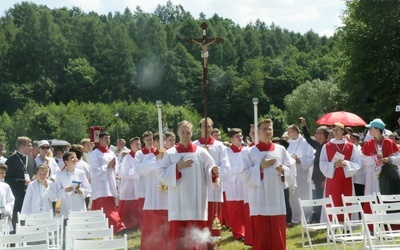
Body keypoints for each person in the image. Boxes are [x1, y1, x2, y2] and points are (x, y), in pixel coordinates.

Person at [158, 120, 220, 250]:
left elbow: (210, 168)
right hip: (178, 201)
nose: (185, 135)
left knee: (196, 235)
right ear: (178, 133)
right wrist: (177, 167)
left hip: (196, 201)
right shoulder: (170, 154)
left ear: (192, 133)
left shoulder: (202, 152)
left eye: (188, 132)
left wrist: (213, 172)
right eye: (182, 132)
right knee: (178, 236)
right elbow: (161, 174)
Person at [241, 119, 296, 250]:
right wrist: (260, 167)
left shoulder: (281, 150)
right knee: (261, 234)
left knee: (277, 233)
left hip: (276, 198)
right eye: (264, 129)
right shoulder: (249, 152)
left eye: (270, 129)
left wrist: (283, 170)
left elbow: (291, 169)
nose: (267, 131)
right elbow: (244, 174)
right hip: (259, 199)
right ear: (258, 132)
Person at [193, 118, 230, 238]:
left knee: (214, 222)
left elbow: (226, 168)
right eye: (204, 126)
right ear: (200, 128)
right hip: (199, 189)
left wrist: (216, 173)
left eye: (209, 127)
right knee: (200, 222)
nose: (206, 129)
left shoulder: (220, 146)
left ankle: (213, 244)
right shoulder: (194, 146)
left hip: (214, 190)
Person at [320, 122, 361, 218]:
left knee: (346, 200)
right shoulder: (327, 146)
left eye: (338, 130)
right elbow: (322, 163)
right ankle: (332, 223)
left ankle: (347, 224)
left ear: (343, 131)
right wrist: (334, 164)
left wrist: (346, 163)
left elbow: (357, 163)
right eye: (334, 130)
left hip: (346, 178)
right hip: (332, 178)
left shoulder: (351, 146)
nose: (336, 132)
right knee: (333, 200)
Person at [89, 132, 127, 235]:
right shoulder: (95, 153)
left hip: (110, 183)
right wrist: (107, 166)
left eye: (109, 138)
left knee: (109, 206)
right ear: (100, 140)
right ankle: (118, 227)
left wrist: (114, 168)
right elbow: (94, 169)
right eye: (105, 138)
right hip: (101, 186)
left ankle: (106, 228)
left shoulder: (111, 153)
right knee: (106, 208)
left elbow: (116, 167)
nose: (108, 140)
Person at [136, 133, 169, 250]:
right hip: (153, 196)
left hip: (168, 197)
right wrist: (156, 159)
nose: (161, 143)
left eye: (163, 141)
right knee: (152, 226)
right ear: (154, 143)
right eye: (158, 141)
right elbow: (142, 171)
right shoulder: (149, 157)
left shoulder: (171, 155)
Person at [361, 119, 400, 204]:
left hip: (386, 175)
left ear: (377, 129)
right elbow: (363, 158)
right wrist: (374, 158)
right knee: (372, 196)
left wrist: (389, 159)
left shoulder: (389, 143)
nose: (369, 130)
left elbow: (398, 157)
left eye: (371, 128)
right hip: (371, 175)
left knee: (386, 197)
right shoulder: (368, 143)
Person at [300, 118, 329, 223]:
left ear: (323, 134)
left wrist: (325, 179)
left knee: (322, 199)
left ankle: (323, 220)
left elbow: (327, 164)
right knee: (318, 199)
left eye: (317, 132)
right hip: (317, 177)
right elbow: (308, 139)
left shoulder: (327, 146)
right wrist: (304, 126)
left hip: (322, 178)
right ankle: (320, 219)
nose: (315, 134)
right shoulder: (319, 145)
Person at [5, 136, 37, 232]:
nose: (31, 148)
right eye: (29, 146)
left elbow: (35, 172)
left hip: (30, 196)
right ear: (22, 147)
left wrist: (35, 177)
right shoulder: (11, 160)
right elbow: (7, 179)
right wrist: (22, 182)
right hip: (17, 197)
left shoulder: (31, 159)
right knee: (16, 224)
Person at [286, 124, 314, 225]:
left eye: (291, 131)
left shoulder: (305, 143)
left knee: (303, 194)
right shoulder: (288, 143)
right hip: (291, 172)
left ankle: (306, 216)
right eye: (289, 132)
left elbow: (311, 158)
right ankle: (294, 216)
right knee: (293, 195)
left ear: (296, 132)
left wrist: (300, 160)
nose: (289, 134)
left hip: (302, 172)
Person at [224, 128, 246, 241]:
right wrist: (239, 169)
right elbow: (225, 168)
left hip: (244, 183)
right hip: (232, 183)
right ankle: (238, 233)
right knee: (235, 209)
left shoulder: (246, 150)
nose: (240, 138)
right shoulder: (226, 152)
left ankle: (246, 230)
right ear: (231, 139)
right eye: (237, 136)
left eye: (241, 136)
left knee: (245, 208)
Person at [55, 152, 91, 218]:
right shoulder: (59, 175)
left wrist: (82, 191)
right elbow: (56, 191)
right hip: (66, 204)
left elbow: (88, 188)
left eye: (75, 157)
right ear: (66, 162)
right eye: (72, 158)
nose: (75, 159)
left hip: (79, 204)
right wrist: (65, 190)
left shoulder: (81, 173)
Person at [135, 131, 157, 231]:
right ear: (143, 140)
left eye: (151, 139)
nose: (149, 142)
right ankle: (144, 227)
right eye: (147, 140)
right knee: (143, 208)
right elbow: (138, 170)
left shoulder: (157, 152)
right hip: (143, 185)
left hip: (154, 183)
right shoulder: (139, 154)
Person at [118, 137, 141, 230]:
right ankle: (127, 225)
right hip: (129, 186)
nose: (139, 146)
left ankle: (138, 224)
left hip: (139, 185)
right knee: (128, 206)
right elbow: (125, 173)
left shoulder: (141, 156)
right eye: (136, 144)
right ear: (131, 146)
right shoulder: (127, 158)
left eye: (139, 144)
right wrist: (138, 170)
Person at [69, 144, 92, 208]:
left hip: (74, 194)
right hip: (86, 194)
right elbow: (90, 180)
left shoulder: (71, 165)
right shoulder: (86, 165)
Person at [349, 133, 365, 197]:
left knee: (359, 196)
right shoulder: (350, 149)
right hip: (351, 177)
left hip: (359, 178)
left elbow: (361, 165)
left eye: (354, 139)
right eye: (351, 139)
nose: (352, 141)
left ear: (358, 141)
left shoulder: (361, 151)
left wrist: (349, 165)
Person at [0, 163, 15, 232]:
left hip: (3, 214)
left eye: (4, 173)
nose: (3, 175)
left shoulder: (6, 186)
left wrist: (8, 210)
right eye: (1, 173)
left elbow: (10, 200)